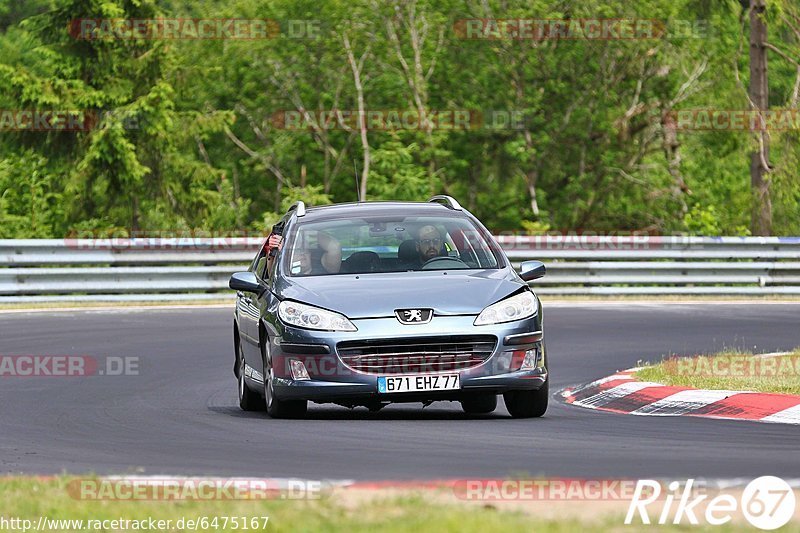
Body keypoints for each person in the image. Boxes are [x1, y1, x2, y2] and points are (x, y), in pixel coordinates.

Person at [268, 231, 341, 276]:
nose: (302, 254)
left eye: (305, 250)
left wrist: (308, 231)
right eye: (297, 250)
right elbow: (272, 275)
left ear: (310, 254)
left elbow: (334, 247)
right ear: (288, 257)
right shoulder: (284, 276)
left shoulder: (324, 270)